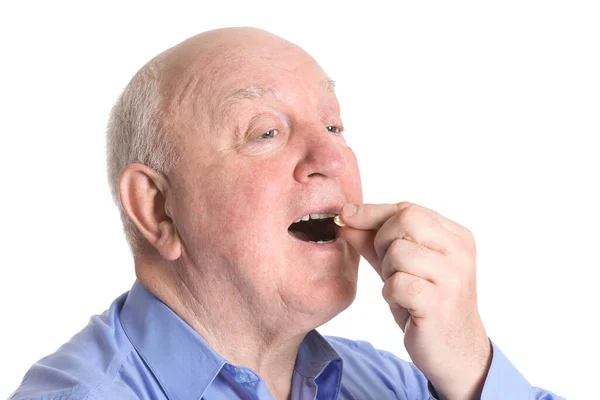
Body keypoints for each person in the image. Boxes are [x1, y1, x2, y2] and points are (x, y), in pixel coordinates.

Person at [10, 27, 563, 400]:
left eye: (333, 126)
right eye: (266, 132)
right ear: (158, 209)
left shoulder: (384, 383)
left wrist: (470, 366)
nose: (333, 158)